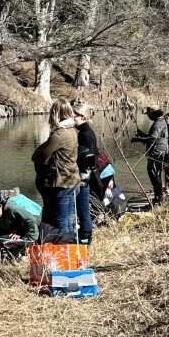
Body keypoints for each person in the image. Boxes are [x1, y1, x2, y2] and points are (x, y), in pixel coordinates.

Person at [31, 98, 80, 238]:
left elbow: (41, 158)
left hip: (61, 182)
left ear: (55, 113)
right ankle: (73, 248)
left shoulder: (58, 134)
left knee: (61, 222)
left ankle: (66, 249)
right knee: (67, 220)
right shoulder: (72, 131)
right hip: (72, 180)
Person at [72, 101, 98, 245]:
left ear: (82, 117)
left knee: (82, 210)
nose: (72, 119)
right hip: (85, 176)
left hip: (83, 178)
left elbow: (87, 157)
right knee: (82, 210)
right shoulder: (85, 132)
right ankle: (84, 237)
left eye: (74, 116)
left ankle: (85, 240)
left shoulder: (85, 134)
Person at [133, 107, 169, 204]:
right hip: (160, 152)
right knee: (156, 174)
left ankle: (159, 197)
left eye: (149, 114)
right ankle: (159, 196)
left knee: (153, 173)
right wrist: (142, 135)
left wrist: (139, 139)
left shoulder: (158, 123)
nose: (148, 116)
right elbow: (155, 136)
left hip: (157, 153)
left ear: (154, 113)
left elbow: (153, 139)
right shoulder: (160, 122)